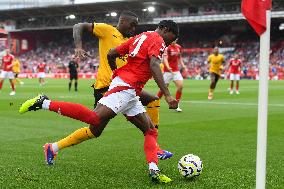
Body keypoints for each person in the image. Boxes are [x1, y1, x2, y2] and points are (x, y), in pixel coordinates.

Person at [19, 20, 179, 183]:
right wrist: (167, 94)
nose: (170, 42)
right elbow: (154, 64)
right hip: (125, 87)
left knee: (150, 130)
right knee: (94, 119)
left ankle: (154, 171)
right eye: (171, 38)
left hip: (130, 90)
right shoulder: (158, 40)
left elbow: (112, 53)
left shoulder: (140, 36)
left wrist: (116, 73)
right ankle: (44, 102)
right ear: (165, 29)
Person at [73, 11, 172, 158]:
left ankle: (155, 149)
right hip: (106, 86)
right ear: (122, 20)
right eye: (132, 25)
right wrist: (79, 47)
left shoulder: (131, 40)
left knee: (151, 103)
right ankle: (50, 118)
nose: (133, 29)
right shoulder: (107, 30)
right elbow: (78, 26)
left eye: (135, 27)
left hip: (124, 87)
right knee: (94, 130)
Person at [157, 41, 187, 112]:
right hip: (167, 71)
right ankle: (155, 102)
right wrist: (168, 67)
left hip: (176, 71)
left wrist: (183, 65)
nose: (174, 40)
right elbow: (165, 59)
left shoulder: (178, 47)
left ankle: (176, 105)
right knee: (163, 89)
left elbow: (179, 58)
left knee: (180, 86)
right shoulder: (167, 48)